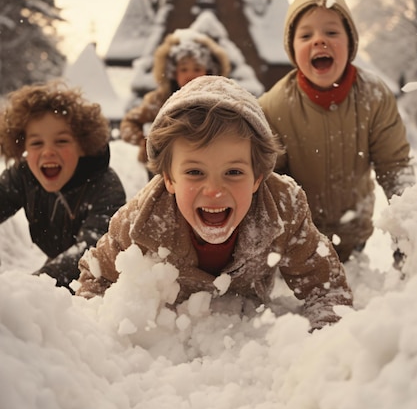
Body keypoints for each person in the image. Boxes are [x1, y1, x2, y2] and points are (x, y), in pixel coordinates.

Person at [76, 75, 353, 331]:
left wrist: (323, 346)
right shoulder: (141, 222)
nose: (214, 191)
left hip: (247, 341)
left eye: (233, 172)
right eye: (195, 172)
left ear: (258, 177)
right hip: (171, 350)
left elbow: (327, 289)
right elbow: (95, 279)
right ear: (169, 180)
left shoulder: (283, 207)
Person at [259, 0, 415, 263]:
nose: (319, 40)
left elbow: (395, 169)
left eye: (332, 32)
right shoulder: (274, 106)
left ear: (350, 43)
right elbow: (269, 184)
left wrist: (409, 238)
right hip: (296, 246)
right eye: (306, 35)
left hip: (354, 238)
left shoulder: (374, 97)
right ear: (293, 49)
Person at [0, 80, 126, 290]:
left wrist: (31, 286)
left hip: (101, 280)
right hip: (58, 266)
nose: (48, 151)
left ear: (83, 146)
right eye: (36, 143)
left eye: (61, 141)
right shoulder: (23, 176)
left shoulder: (106, 187)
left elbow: (91, 250)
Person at [119, 29, 230, 172]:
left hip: (209, 167)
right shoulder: (160, 101)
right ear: (173, 73)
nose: (190, 75)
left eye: (197, 69)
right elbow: (129, 123)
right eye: (183, 69)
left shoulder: (218, 100)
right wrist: (146, 142)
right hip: (164, 169)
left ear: (209, 71)